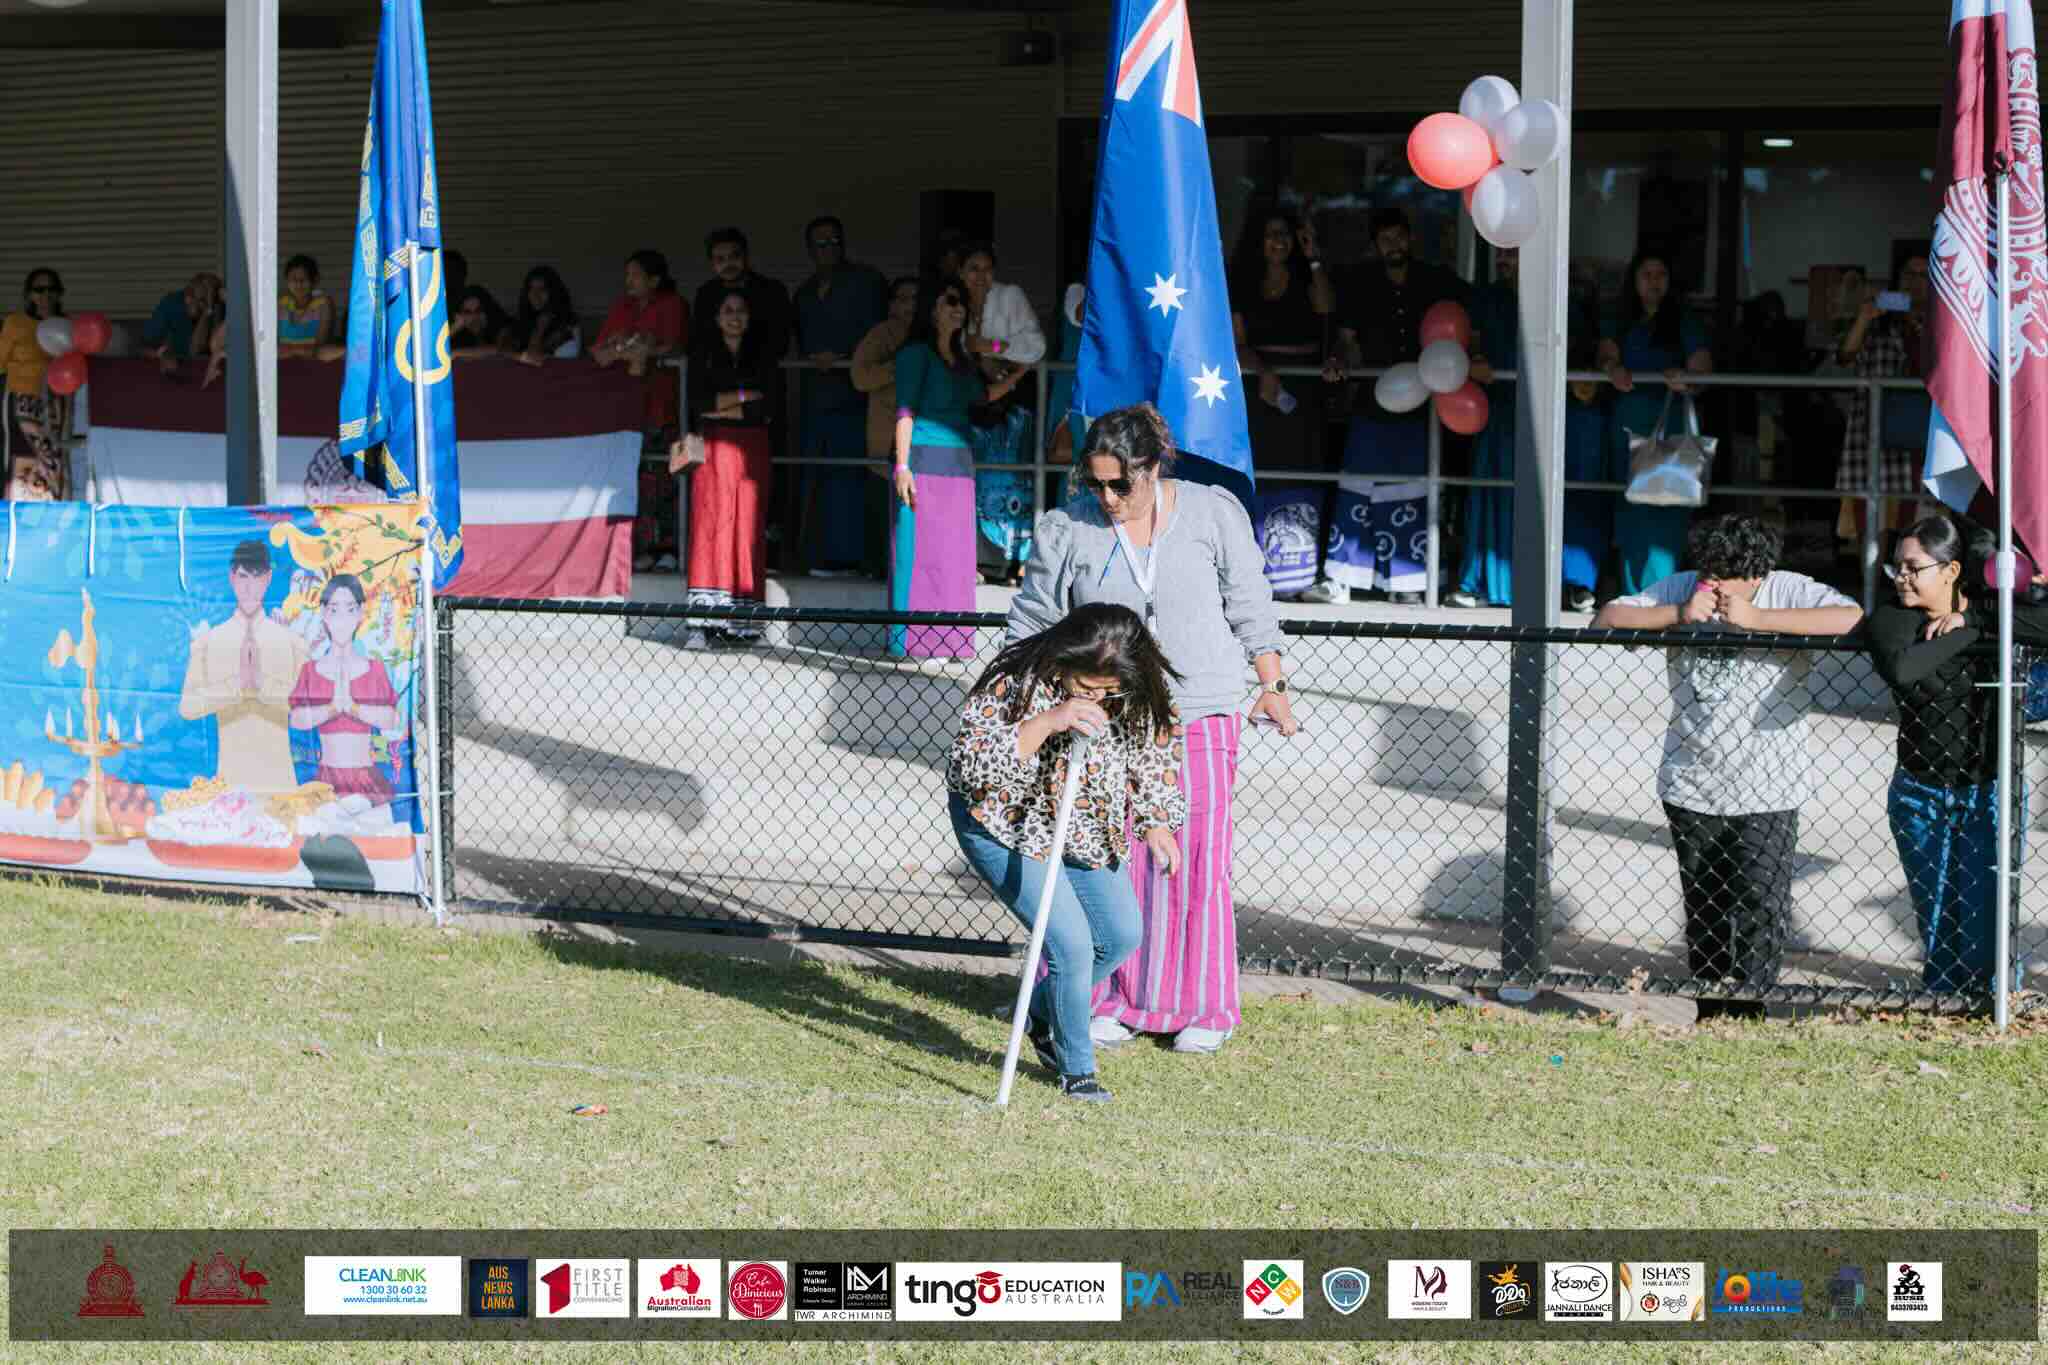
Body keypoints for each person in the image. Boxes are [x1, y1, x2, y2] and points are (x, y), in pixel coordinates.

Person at [1009, 403, 1298, 1053]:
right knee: (1117, 860)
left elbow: (1252, 602)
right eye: (1097, 483)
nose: (1108, 498)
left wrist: (1272, 684)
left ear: (1153, 465)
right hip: (1109, 721)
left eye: (1122, 484)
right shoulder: (1067, 529)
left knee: (1196, 860)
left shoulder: (1211, 510)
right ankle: (1118, 998)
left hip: (1202, 710)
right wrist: (1032, 703)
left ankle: (1205, 1006)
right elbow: (1031, 624)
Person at [1593, 514, 1862, 1019]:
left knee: (1761, 902)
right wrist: (1678, 610)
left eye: (1725, 578)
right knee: (1705, 906)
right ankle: (1712, 1011)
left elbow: (1850, 616)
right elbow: (1608, 616)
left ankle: (1751, 1009)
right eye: (1707, 574)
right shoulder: (1684, 588)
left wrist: (1757, 619)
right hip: (1692, 779)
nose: (1712, 586)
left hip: (1770, 783)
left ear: (1758, 575)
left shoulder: (1787, 589)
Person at [948, 602, 1187, 1102]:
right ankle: (1076, 1067)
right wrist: (1050, 720)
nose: (1098, 697)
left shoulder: (1135, 691)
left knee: (1120, 935)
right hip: (1004, 827)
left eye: (1107, 690)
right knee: (1071, 946)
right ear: (1063, 660)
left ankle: (1038, 1013)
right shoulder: (1015, 682)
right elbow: (969, 767)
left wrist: (1157, 821)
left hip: (1082, 828)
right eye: (1086, 687)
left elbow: (1155, 753)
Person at [1864, 514, 2043, 998]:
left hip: (1990, 784)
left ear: (1951, 570)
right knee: (1938, 910)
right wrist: (1970, 634)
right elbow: (1904, 670)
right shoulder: (1892, 618)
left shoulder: (1989, 610)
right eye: (1896, 568)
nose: (1900, 577)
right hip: (1922, 790)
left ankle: (1994, 998)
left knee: (1988, 905)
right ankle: (1942, 998)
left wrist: (1974, 618)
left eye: (1912, 567)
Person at [1324, 206, 1470, 603]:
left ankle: (1409, 584)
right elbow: (1347, 340)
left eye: (1399, 237)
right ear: (1375, 245)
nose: (1394, 245)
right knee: (1358, 488)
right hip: (1372, 400)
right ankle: (1343, 578)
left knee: (1413, 491)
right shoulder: (1360, 285)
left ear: (1411, 239)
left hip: (1424, 404)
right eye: (1385, 239)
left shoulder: (1437, 282)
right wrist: (1339, 360)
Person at [1450, 256, 1611, 612]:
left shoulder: (1562, 297)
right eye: (1501, 253)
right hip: (1499, 408)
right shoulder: (1487, 298)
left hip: (1553, 411)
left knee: (1558, 496)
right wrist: (1475, 361)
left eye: (1513, 253)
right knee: (1496, 491)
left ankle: (1568, 585)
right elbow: (1472, 342)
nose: (1505, 260)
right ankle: (1480, 582)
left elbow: (1582, 353)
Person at [889, 274, 1028, 659]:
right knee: (919, 554)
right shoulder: (915, 355)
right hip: (921, 460)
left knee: (954, 557)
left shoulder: (964, 358)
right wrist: (902, 466)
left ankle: (951, 641)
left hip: (960, 465)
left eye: (961, 302)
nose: (958, 308)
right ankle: (914, 642)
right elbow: (904, 412)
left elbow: (982, 396)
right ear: (932, 309)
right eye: (950, 300)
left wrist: (1018, 374)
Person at [1231, 205, 1336, 600]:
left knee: (1302, 472)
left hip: (1302, 392)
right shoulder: (1244, 283)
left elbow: (1326, 308)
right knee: (1266, 475)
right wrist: (1262, 371)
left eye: (1285, 235)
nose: (1277, 242)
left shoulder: (1306, 278)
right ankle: (1262, 573)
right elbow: (1237, 343)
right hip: (1262, 390)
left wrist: (1313, 257)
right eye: (1270, 234)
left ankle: (1302, 576)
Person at [1602, 250, 1714, 596]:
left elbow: (1702, 365)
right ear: (1633, 280)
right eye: (1646, 274)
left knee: (1668, 505)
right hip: (1628, 423)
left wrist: (1687, 376)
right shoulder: (1619, 318)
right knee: (1632, 511)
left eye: (1660, 273)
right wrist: (1613, 369)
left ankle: (1663, 593)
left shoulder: (1684, 320)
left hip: (1670, 424)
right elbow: (1606, 355)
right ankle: (1634, 595)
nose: (1653, 281)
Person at [675, 286, 780, 648]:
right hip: (714, 447)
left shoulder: (763, 356)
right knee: (710, 524)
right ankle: (701, 625)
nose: (734, 316)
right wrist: (742, 397)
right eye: (727, 310)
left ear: (749, 318)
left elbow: (767, 407)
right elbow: (699, 404)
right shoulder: (703, 355)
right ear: (717, 319)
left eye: (741, 310)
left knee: (747, 526)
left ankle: (744, 624)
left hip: (753, 448)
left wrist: (725, 405)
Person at [792, 216, 888, 577]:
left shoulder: (866, 282)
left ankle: (852, 558)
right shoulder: (803, 292)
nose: (828, 249)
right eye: (820, 243)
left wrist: (845, 355)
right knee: (816, 475)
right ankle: (816, 556)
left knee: (850, 478)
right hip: (817, 395)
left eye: (834, 241)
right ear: (809, 250)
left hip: (855, 393)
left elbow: (878, 332)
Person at [178, 539, 310, 796]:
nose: (250, 587)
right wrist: (235, 686)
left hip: (281, 789)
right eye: (243, 576)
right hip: (230, 788)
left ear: (269, 578)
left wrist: (262, 685)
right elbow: (187, 707)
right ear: (231, 577)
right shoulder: (209, 642)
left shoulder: (292, 642)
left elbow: (307, 709)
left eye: (258, 576)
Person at [960, 242, 1048, 583]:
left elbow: (1036, 347)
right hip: (970, 403)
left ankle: (1017, 562)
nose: (981, 277)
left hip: (1010, 405)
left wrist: (994, 348)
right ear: (960, 272)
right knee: (974, 482)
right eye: (973, 269)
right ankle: (978, 561)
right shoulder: (954, 300)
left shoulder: (1009, 296)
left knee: (1012, 482)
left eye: (987, 269)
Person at [1835, 252, 1932, 542]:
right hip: (1872, 428)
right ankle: (1870, 584)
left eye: (1923, 276)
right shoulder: (1878, 322)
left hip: (1919, 427)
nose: (1914, 283)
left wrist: (1918, 323)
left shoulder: (1943, 322)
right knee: (1869, 514)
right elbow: (1845, 356)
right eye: (1909, 275)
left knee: (1914, 515)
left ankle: (1904, 578)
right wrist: (1865, 317)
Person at [288, 574, 401, 805]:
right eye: (334, 609)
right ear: (323, 613)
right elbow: (297, 720)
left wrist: (353, 707)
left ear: (360, 613)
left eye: (349, 609)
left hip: (366, 778)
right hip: (326, 779)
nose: (342, 619)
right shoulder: (310, 670)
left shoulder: (375, 669)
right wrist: (332, 708)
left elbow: (391, 719)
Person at [853, 275, 922, 572]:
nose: (910, 305)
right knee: (885, 519)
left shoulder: (929, 334)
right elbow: (860, 376)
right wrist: (900, 368)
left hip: (927, 440)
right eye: (903, 298)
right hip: (886, 441)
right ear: (892, 305)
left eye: (916, 298)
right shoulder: (882, 334)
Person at [594, 248, 689, 428]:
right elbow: (597, 348)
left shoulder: (672, 303)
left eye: (635, 275)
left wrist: (640, 351)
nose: (628, 281)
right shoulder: (621, 305)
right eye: (627, 275)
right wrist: (618, 349)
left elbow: (676, 347)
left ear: (654, 280)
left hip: (655, 383)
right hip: (614, 383)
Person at [1, 268, 71, 500]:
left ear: (59, 295)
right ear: (29, 295)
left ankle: (54, 514)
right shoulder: (15, 323)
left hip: (55, 403)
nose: (46, 295)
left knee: (53, 457)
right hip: (21, 401)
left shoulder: (67, 326)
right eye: (39, 290)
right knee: (20, 458)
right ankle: (19, 517)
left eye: (52, 289)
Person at [692, 228, 791, 363]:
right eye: (720, 259)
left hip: (764, 377)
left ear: (746, 256)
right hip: (718, 379)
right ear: (712, 263)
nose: (728, 264)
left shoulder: (772, 291)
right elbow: (700, 341)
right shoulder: (705, 294)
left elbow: (780, 343)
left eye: (734, 256)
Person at [142, 272, 223, 372]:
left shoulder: (215, 308)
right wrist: (163, 354)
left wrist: (208, 311)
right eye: (202, 300)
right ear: (188, 296)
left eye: (210, 300)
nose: (204, 306)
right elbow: (144, 347)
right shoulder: (170, 305)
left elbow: (196, 351)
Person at [500, 266, 580, 364]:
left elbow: (535, 357)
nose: (535, 295)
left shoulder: (567, 324)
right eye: (531, 289)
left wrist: (540, 328)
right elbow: (505, 352)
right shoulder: (521, 322)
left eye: (542, 289)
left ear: (553, 292)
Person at [277, 255, 336, 357]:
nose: (298, 284)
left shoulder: (323, 304)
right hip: (283, 362)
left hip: (313, 361)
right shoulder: (281, 304)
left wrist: (292, 352)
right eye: (293, 279)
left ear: (314, 280)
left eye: (304, 279)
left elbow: (320, 344)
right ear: (287, 280)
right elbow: (272, 342)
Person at [448, 285, 507, 355]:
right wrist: (454, 329)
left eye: (479, 310)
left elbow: (502, 351)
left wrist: (456, 353)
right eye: (467, 312)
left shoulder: (501, 330)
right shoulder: (456, 334)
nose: (475, 317)